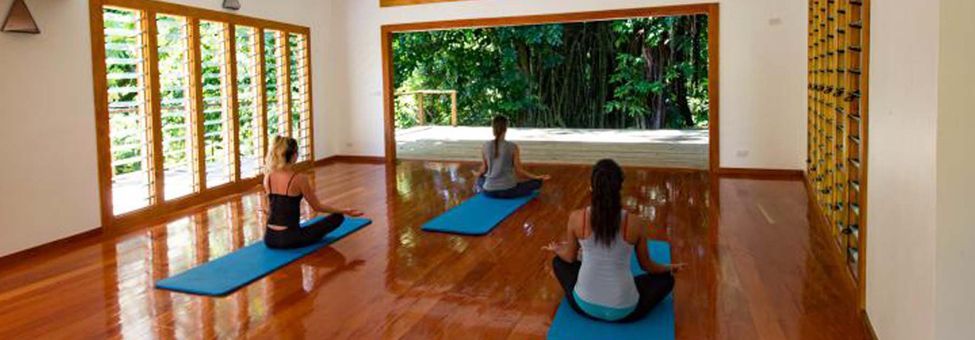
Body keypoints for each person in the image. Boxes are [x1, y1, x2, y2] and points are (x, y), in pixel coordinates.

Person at [545, 159, 683, 322]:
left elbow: (568, 257)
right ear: (620, 188)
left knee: (558, 263)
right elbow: (647, 266)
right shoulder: (635, 223)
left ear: (591, 187)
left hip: (584, 305)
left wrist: (556, 249)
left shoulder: (577, 218)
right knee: (666, 280)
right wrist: (670, 268)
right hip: (624, 311)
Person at [262, 136, 363, 249]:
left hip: (269, 238)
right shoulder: (299, 179)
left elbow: (273, 207)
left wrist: (269, 212)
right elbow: (317, 207)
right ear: (294, 155)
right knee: (337, 217)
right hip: (290, 239)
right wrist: (344, 210)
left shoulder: (268, 177)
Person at [474, 116, 550, 198]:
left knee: (480, 179)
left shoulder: (485, 146)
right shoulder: (513, 147)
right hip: (509, 191)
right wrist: (537, 177)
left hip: (489, 191)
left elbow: (484, 168)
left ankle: (479, 187)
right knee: (536, 183)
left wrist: (478, 174)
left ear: (493, 129)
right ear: (506, 129)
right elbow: (519, 170)